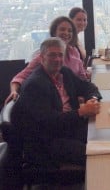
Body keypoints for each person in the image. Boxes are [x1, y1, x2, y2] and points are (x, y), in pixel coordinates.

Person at [11, 37, 102, 168]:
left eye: (60, 55)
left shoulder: (64, 72)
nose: (57, 59)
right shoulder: (35, 85)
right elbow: (49, 122)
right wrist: (81, 112)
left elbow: (88, 87)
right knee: (94, 153)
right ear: (41, 58)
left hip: (67, 127)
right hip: (47, 142)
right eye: (52, 55)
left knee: (102, 137)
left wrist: (92, 99)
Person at [6, 16, 88, 103]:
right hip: (56, 105)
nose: (66, 33)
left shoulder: (74, 51)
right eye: (62, 29)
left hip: (77, 99)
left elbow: (82, 77)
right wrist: (14, 91)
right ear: (54, 32)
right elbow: (20, 77)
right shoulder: (44, 56)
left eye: (70, 31)